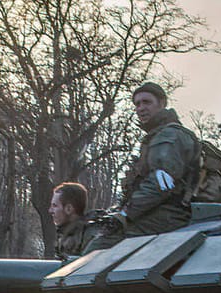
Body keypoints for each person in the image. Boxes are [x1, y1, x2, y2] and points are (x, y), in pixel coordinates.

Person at [85, 82, 202, 253]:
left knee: (99, 248)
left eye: (147, 102)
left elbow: (162, 184)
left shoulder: (169, 136)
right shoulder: (156, 136)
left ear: (162, 103)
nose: (141, 108)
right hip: (154, 212)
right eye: (137, 104)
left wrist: (125, 214)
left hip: (169, 214)